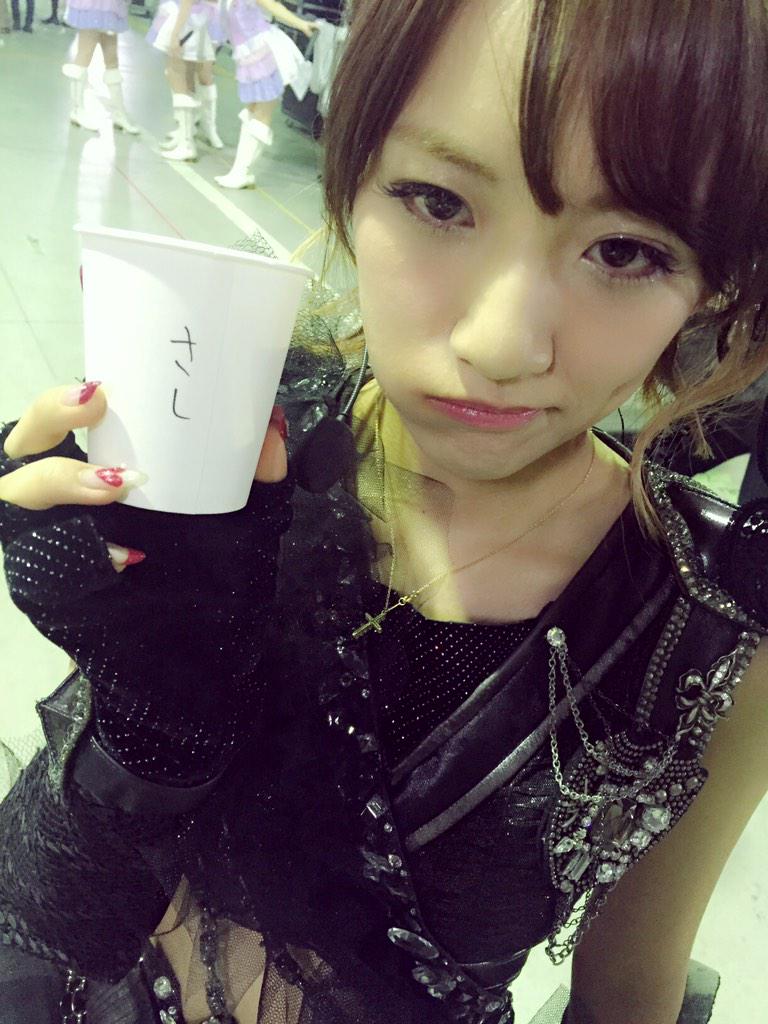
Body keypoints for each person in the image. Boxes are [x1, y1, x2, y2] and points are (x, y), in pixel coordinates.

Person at [1, 2, 768, 1023]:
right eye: (439, 201)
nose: (501, 345)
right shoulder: (240, 439)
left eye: (627, 252)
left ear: (711, 284)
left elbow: (628, 987)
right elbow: (56, 915)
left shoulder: (702, 626)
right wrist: (147, 721)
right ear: (351, 177)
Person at [214, 0, 317, 189]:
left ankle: (241, 172)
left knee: (261, 113)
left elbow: (273, 6)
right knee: (252, 111)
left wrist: (301, 24)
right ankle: (240, 171)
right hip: (250, 54)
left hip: (264, 53)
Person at [146, 0, 226, 161]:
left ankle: (186, 143)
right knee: (187, 80)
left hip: (187, 23)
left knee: (176, 77)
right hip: (199, 23)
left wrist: (175, 34)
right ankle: (185, 135)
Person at [62, 0, 139, 133]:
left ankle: (119, 113)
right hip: (92, 6)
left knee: (112, 59)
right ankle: (77, 110)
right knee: (85, 53)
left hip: (112, 7)